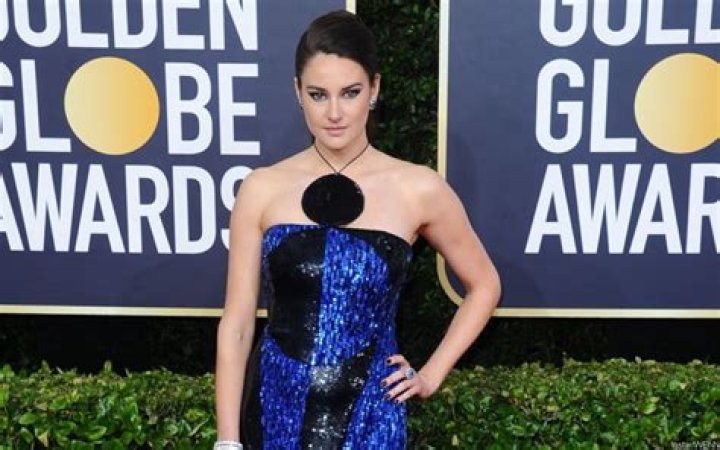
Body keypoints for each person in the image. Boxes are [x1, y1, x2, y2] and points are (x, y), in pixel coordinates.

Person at [214, 10, 500, 449]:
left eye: (350, 93)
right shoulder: (261, 188)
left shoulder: (418, 188)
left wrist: (429, 375)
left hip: (371, 418)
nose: (334, 113)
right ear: (297, 92)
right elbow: (237, 323)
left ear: (374, 89)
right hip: (273, 412)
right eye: (318, 94)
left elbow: (484, 285)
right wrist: (228, 441)